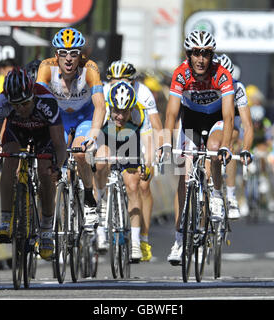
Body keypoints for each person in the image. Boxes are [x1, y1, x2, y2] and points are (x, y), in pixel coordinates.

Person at [159, 30, 236, 265]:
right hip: (191, 120)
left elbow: (229, 114)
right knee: (184, 176)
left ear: (212, 55)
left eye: (206, 53)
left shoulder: (222, 75)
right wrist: (165, 143)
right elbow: (172, 112)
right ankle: (180, 239)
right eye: (196, 53)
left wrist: (225, 147)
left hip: (216, 120)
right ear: (188, 54)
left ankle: (214, 194)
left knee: (213, 147)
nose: (201, 59)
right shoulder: (181, 74)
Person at [0, 67, 67, 260]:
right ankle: (5, 220)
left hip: (44, 134)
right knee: (9, 160)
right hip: (16, 132)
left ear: (32, 95)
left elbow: (60, 144)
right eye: (15, 105)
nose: (21, 109)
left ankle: (45, 229)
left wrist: (57, 167)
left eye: (25, 103)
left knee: (46, 173)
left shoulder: (47, 102)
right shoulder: (1, 101)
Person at [36, 27, 107, 229]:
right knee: (52, 162)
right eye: (63, 53)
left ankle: (89, 199)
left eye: (74, 53)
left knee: (80, 153)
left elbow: (100, 105)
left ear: (80, 55)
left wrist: (93, 136)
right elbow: (38, 102)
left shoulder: (90, 68)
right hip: (59, 118)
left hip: (85, 116)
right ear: (56, 54)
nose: (68, 59)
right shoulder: (45, 67)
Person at [103, 60, 164, 261]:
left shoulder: (143, 94)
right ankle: (102, 208)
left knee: (141, 184)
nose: (118, 84)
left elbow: (154, 127)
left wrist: (152, 159)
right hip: (111, 133)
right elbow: (97, 128)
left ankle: (141, 240)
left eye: (123, 80)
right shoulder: (105, 92)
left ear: (133, 81)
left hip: (135, 135)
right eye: (114, 80)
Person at [94, 81, 153, 261]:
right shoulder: (103, 114)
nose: (119, 116)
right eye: (116, 111)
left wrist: (148, 165)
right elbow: (94, 139)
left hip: (130, 141)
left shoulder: (140, 114)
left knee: (133, 185)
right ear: (110, 107)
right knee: (101, 162)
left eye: (124, 111)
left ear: (131, 109)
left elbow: (149, 143)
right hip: (107, 137)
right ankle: (101, 216)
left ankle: (135, 242)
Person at [212, 54, 253, 219]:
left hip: (230, 120)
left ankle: (230, 195)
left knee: (230, 145)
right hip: (210, 119)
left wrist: (246, 149)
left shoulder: (237, 88)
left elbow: (247, 124)